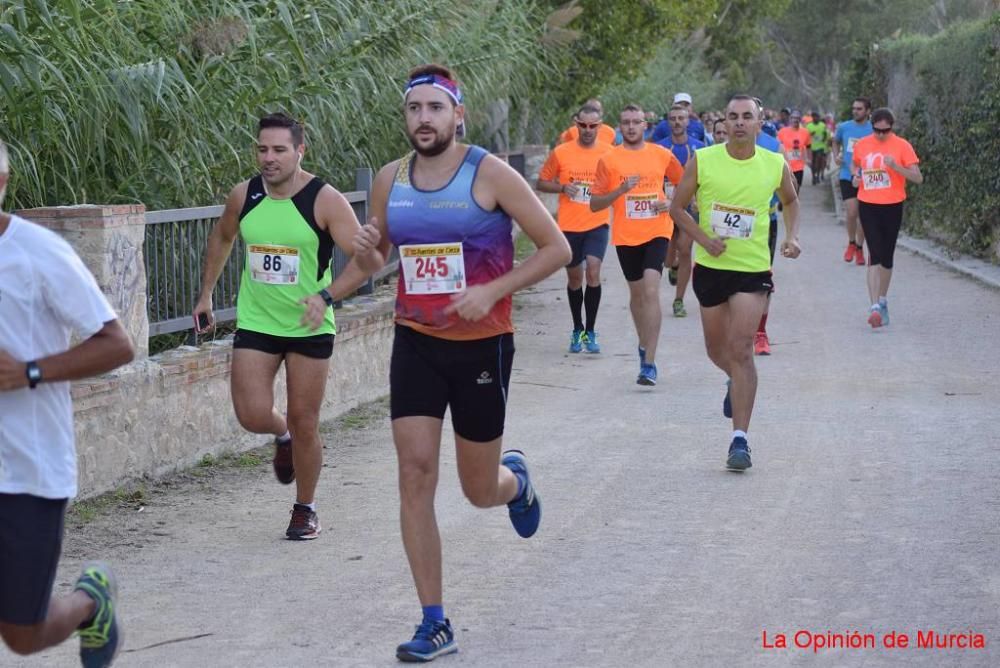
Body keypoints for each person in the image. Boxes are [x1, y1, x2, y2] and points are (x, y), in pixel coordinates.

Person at [368, 64, 569, 662]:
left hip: (483, 344)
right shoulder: (390, 178)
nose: (423, 119)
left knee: (477, 488)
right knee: (415, 474)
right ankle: (434, 621)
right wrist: (361, 251)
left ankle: (515, 483)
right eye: (413, 109)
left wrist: (493, 289)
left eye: (435, 109)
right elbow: (381, 252)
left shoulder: (491, 174)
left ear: (459, 116)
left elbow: (556, 247)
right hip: (417, 341)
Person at [193, 112, 384, 541]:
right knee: (251, 414)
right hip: (258, 321)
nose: (269, 158)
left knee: (306, 421)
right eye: (262, 149)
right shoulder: (244, 195)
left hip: (309, 325)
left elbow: (369, 261)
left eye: (279, 150)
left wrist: (328, 295)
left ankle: (305, 507)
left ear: (300, 150)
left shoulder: (325, 200)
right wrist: (206, 294)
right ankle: (280, 435)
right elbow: (223, 237)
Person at [0, 138, 135, 667]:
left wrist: (30, 371)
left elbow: (117, 343)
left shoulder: (39, 253)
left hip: (26, 471)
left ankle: (90, 602)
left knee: (22, 635)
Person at [669, 95, 801, 470]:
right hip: (711, 267)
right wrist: (703, 240)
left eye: (747, 117)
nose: (739, 123)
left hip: (753, 268)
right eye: (733, 117)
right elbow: (677, 207)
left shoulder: (774, 163)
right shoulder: (704, 160)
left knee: (742, 348)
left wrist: (792, 237)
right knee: (717, 350)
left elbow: (791, 201)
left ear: (761, 122)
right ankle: (734, 380)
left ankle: (739, 440)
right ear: (723, 123)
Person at [591, 104, 684, 385]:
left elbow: (685, 185)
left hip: (657, 230)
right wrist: (619, 191)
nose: (631, 127)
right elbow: (595, 204)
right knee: (637, 295)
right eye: (626, 123)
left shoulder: (661, 155)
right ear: (620, 127)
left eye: (636, 122)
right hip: (626, 235)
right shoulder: (609, 160)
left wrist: (669, 202)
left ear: (646, 125)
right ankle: (644, 345)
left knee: (651, 289)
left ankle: (649, 363)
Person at [537, 104, 613, 353]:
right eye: (583, 125)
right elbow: (542, 182)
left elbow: (619, 181)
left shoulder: (608, 152)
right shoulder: (561, 152)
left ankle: (590, 330)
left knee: (593, 270)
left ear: (600, 126)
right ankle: (577, 328)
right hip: (569, 225)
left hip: (597, 222)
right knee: (574, 278)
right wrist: (562, 188)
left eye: (593, 126)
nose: (588, 130)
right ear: (576, 124)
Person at [851, 107, 923, 328]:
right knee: (874, 253)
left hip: (892, 206)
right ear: (872, 126)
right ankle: (873, 307)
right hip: (868, 204)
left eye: (885, 131)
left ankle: (882, 300)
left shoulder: (903, 146)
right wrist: (856, 176)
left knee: (887, 256)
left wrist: (896, 166)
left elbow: (917, 178)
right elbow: (856, 164)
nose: (881, 135)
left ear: (892, 127)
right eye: (877, 130)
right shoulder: (862, 144)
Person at [655, 104, 705, 318]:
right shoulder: (658, 148)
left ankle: (679, 300)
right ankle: (672, 265)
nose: (677, 122)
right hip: (664, 205)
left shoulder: (700, 147)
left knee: (685, 249)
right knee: (667, 259)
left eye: (681, 118)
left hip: (688, 206)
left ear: (688, 121)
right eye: (673, 118)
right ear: (668, 121)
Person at [832, 97, 873, 265]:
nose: (855, 111)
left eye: (859, 109)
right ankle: (850, 242)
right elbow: (834, 141)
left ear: (868, 111)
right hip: (847, 175)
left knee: (863, 216)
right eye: (854, 108)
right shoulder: (844, 127)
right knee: (851, 212)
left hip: (867, 176)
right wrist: (836, 156)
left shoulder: (873, 129)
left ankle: (859, 247)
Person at [777, 110, 811, 190]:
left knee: (797, 188)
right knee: (786, 190)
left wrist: (809, 159)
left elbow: (808, 146)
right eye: (793, 118)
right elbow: (777, 146)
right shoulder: (782, 132)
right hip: (785, 165)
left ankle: (794, 201)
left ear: (800, 119)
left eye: (797, 118)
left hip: (799, 166)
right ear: (790, 119)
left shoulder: (805, 132)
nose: (795, 120)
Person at [805, 110, 831, 185]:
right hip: (811, 147)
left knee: (819, 162)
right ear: (812, 118)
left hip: (821, 146)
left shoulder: (822, 125)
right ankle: (814, 176)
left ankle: (818, 175)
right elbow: (806, 136)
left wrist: (825, 138)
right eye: (814, 117)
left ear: (819, 118)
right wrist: (810, 134)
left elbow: (826, 134)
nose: (816, 118)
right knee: (813, 163)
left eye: (817, 117)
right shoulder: (809, 126)